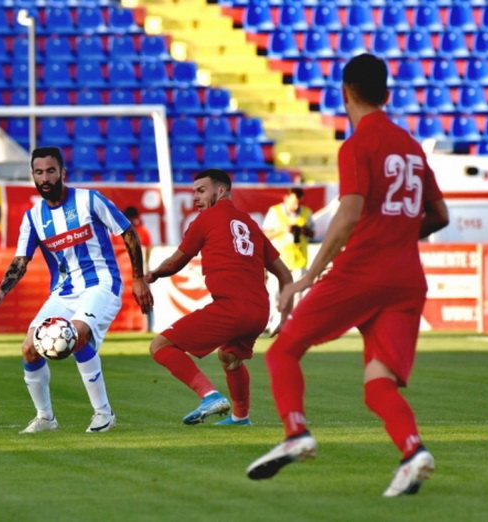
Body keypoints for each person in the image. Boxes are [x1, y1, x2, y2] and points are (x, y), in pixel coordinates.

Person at [245, 54, 450, 497]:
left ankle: (296, 433)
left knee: (283, 351)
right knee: (378, 385)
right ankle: (413, 452)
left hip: (362, 271)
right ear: (387, 95)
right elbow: (439, 215)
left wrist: (306, 278)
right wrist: (397, 231)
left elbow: (350, 213)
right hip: (407, 280)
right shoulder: (412, 147)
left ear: (345, 93)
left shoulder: (357, 145)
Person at [0, 147, 153, 434]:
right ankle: (45, 418)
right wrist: (0, 293)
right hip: (64, 291)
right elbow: (21, 260)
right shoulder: (33, 217)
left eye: (50, 171)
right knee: (29, 349)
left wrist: (138, 279)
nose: (45, 178)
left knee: (77, 333)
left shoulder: (89, 200)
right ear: (33, 176)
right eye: (39, 172)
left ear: (63, 173)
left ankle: (103, 413)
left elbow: (128, 232)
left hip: (101, 284)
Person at [145, 169, 293, 426]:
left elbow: (176, 262)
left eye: (201, 191)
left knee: (160, 346)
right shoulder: (250, 224)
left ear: (221, 191)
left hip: (231, 308)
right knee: (230, 357)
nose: (195, 197)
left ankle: (209, 396)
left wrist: (155, 273)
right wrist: (284, 316)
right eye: (194, 192)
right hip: (259, 311)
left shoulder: (207, 218)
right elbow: (286, 275)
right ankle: (240, 416)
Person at [262, 187, 315, 327]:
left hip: (299, 259)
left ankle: (292, 322)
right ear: (286, 199)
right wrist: (282, 230)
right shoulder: (275, 212)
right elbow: (265, 235)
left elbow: (313, 233)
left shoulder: (306, 213)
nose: (295, 206)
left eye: (298, 203)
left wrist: (303, 230)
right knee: (274, 292)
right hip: (277, 259)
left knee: (297, 294)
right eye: (292, 203)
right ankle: (272, 322)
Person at [123, 206, 154, 331]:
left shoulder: (142, 232)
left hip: (136, 274)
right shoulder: (118, 233)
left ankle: (146, 325)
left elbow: (149, 250)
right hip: (126, 274)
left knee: (143, 298)